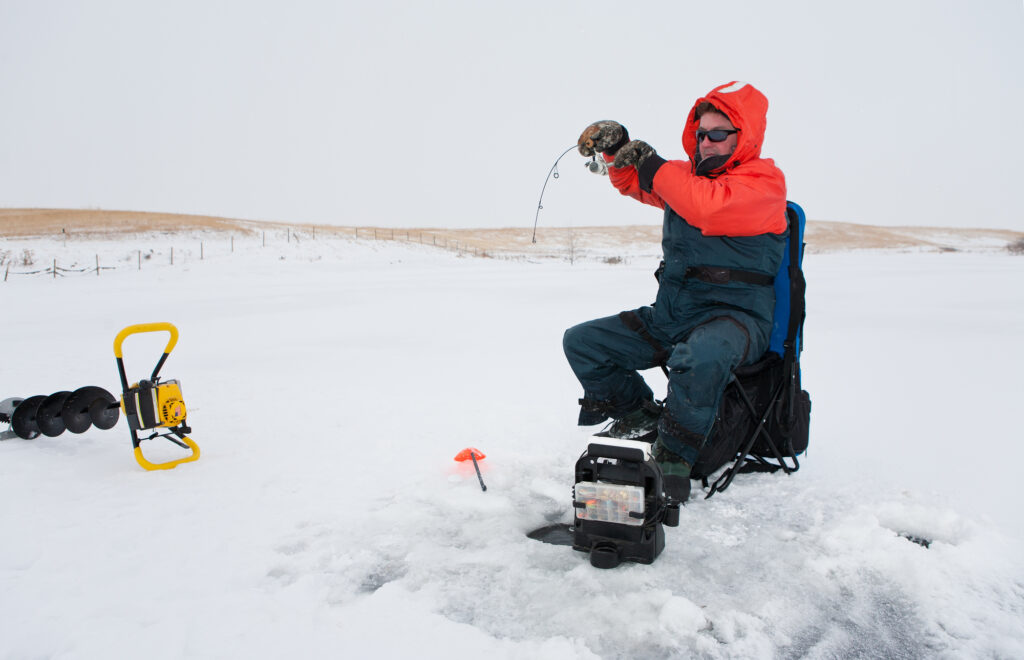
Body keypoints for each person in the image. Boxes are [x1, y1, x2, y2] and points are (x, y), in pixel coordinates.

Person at [563, 81, 788, 502]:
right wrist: (618, 153)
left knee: (698, 356)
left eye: (718, 133)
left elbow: (709, 206)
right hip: (673, 316)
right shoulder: (686, 179)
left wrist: (653, 165)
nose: (706, 142)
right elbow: (639, 184)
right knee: (584, 342)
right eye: (701, 133)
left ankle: (674, 458)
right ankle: (639, 416)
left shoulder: (764, 184)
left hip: (735, 321)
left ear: (745, 137)